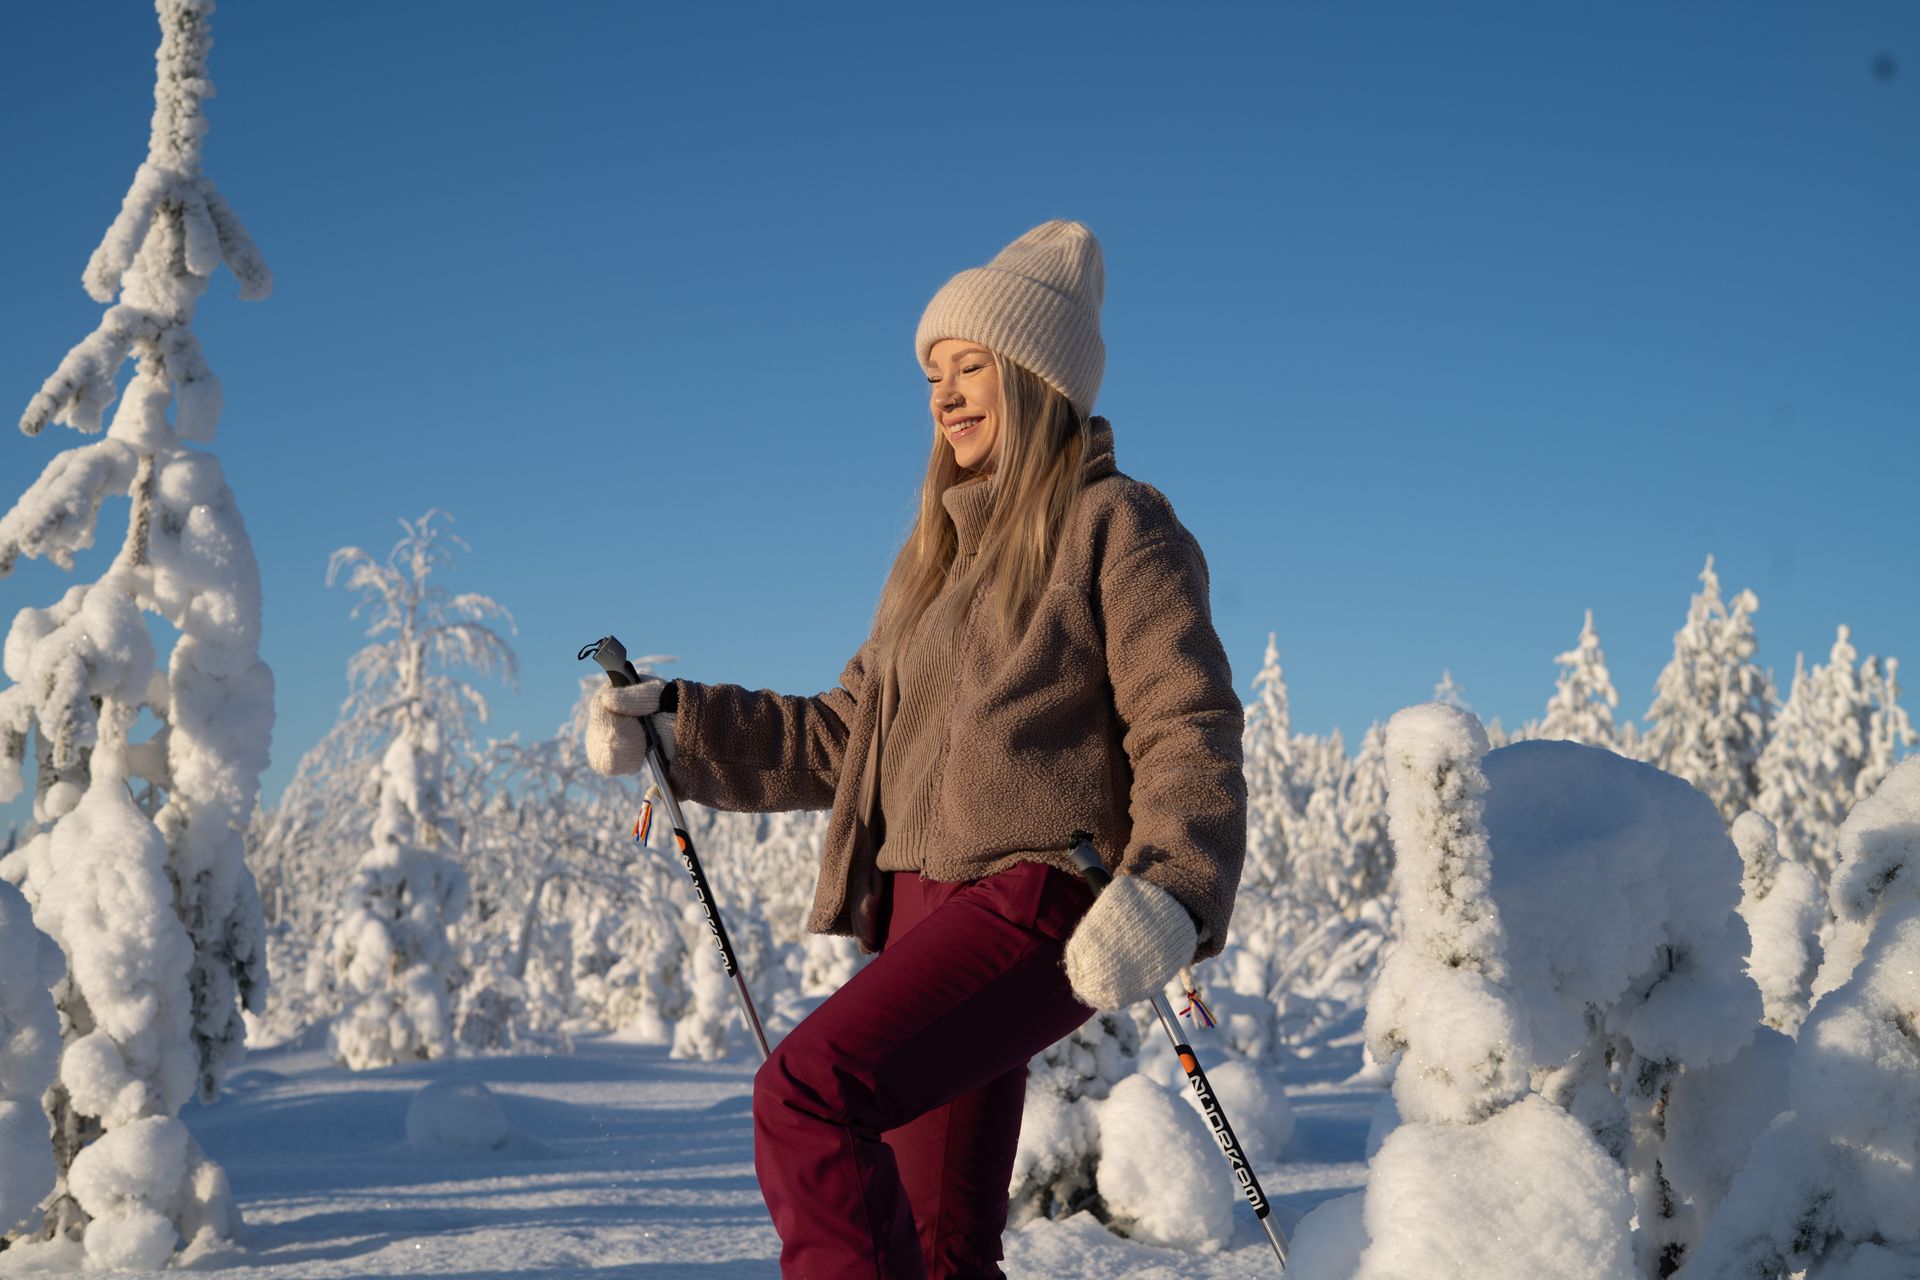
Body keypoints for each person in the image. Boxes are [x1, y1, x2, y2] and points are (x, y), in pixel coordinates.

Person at [586, 220, 1245, 1279]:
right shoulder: (931, 565)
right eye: (933, 372)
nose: (943, 392)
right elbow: (841, 736)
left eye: (970, 365)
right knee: (940, 1247)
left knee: (806, 1091)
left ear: (1036, 373)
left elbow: (1188, 719)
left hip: (1039, 899)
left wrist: (1174, 885)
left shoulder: (1116, 525)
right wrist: (679, 721)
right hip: (923, 908)